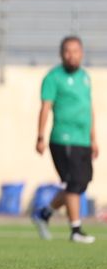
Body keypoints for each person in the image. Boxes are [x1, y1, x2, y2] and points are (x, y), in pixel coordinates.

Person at [33, 36, 98, 243]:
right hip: (62, 138)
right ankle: (76, 230)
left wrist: (93, 138)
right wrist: (40, 136)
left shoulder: (85, 78)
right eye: (68, 51)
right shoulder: (53, 77)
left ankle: (44, 214)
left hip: (82, 140)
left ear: (82, 53)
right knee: (73, 182)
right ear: (61, 54)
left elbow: (88, 109)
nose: (72, 55)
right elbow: (45, 108)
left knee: (80, 183)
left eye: (76, 51)